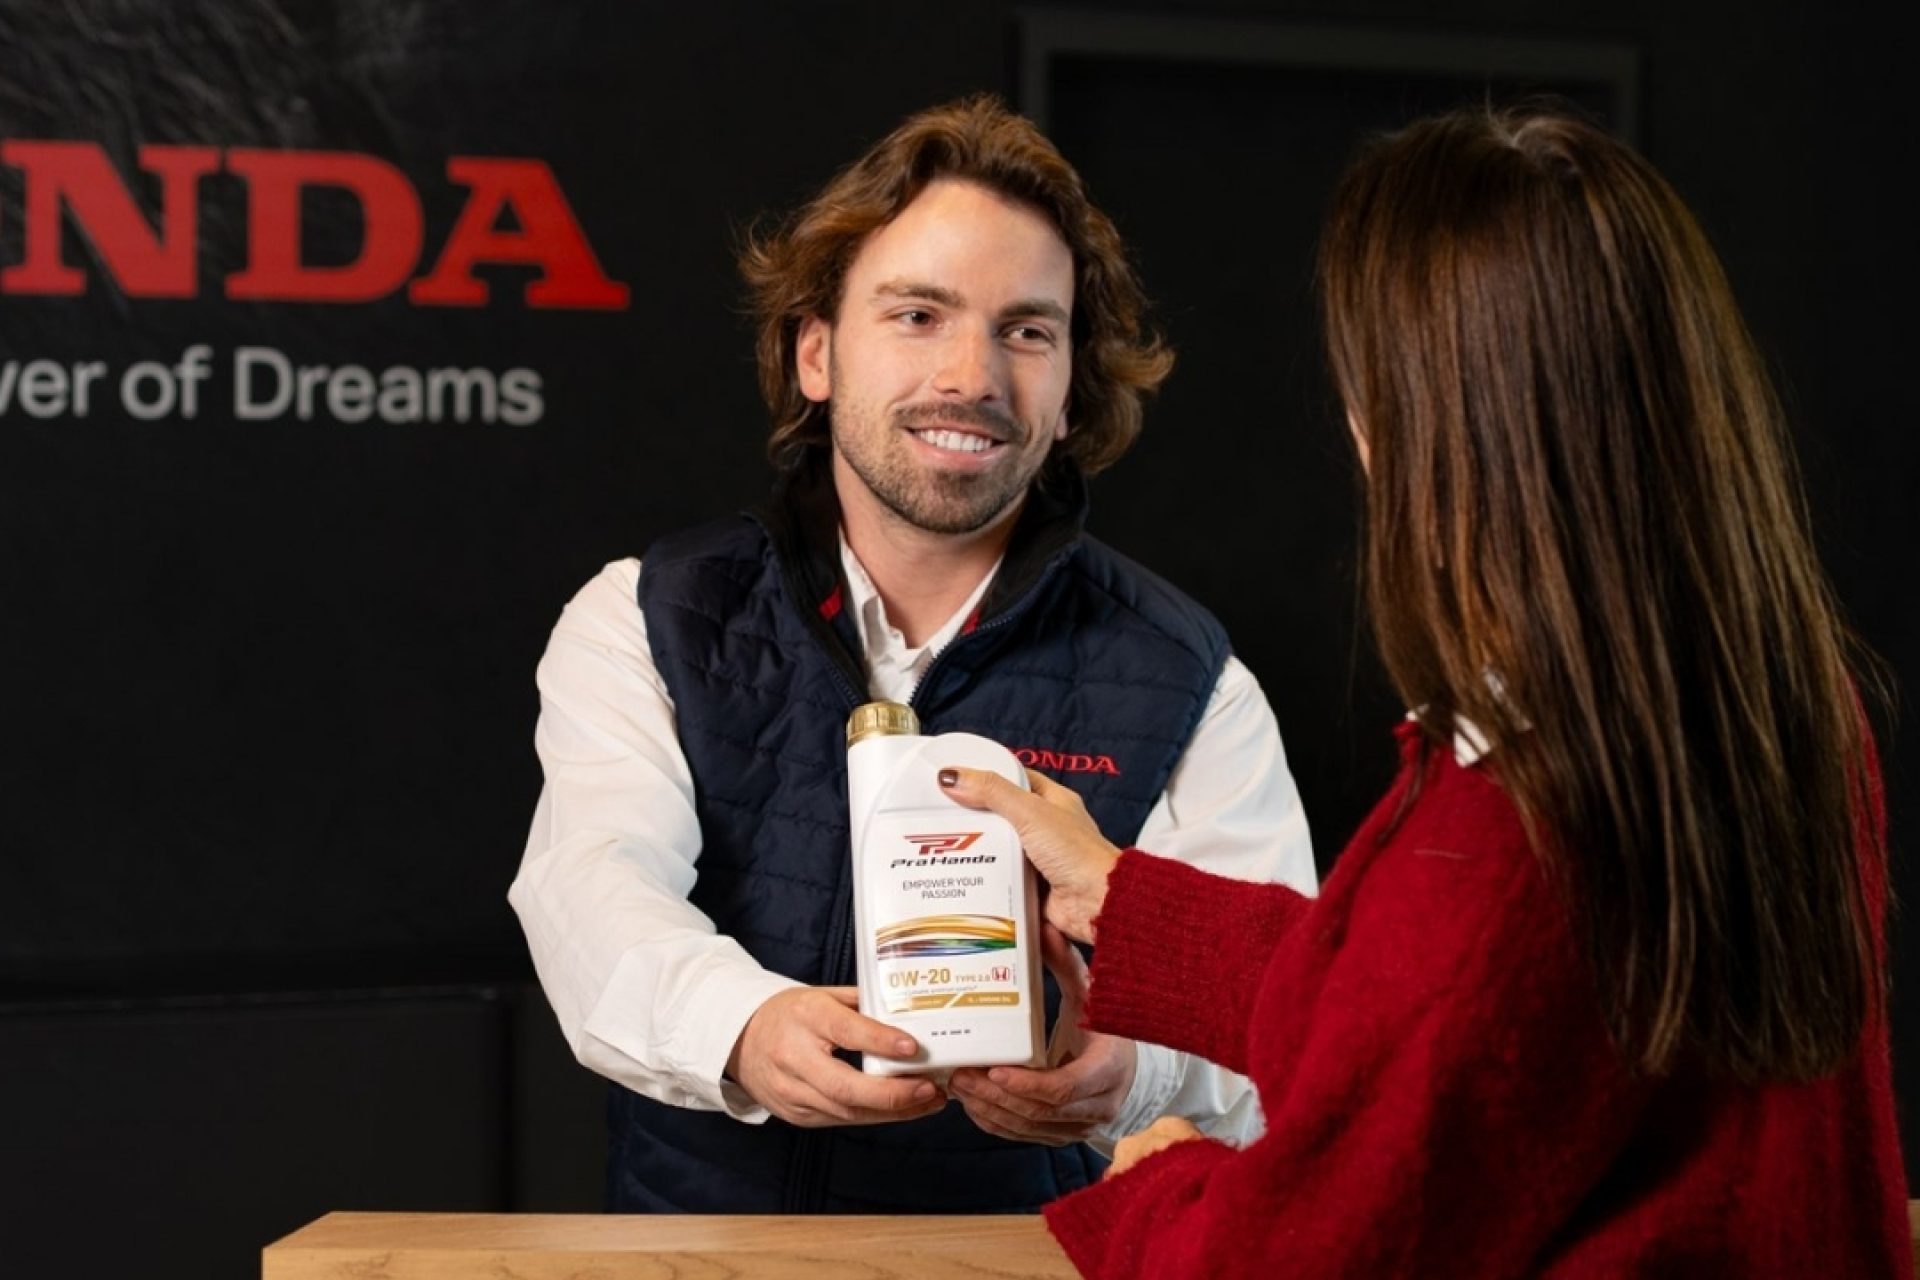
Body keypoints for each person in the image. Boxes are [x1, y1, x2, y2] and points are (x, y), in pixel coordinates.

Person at [941, 104, 1908, 1277]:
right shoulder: (1772, 704)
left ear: (1426, 424)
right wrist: (1124, 898)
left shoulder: (1519, 815)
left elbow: (1299, 1248)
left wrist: (1157, 1185)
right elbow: (1432, 1018)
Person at [507, 94, 1316, 1214]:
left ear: (1072, 384)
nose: (973, 376)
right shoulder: (648, 617)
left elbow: (1291, 1017)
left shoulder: (1190, 679)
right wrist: (742, 1026)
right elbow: (588, 892)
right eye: (919, 314)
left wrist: (1137, 1073)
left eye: (1026, 329)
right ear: (817, 352)